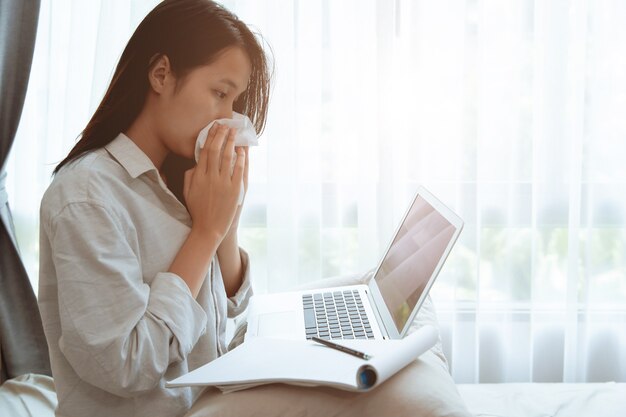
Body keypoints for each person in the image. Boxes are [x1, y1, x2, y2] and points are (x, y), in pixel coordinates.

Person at [37, 1, 269, 416]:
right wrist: (205, 233)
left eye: (235, 102)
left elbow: (230, 308)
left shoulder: (182, 179)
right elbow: (125, 365)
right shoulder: (86, 195)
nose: (228, 119)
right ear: (161, 74)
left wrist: (226, 219)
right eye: (219, 93)